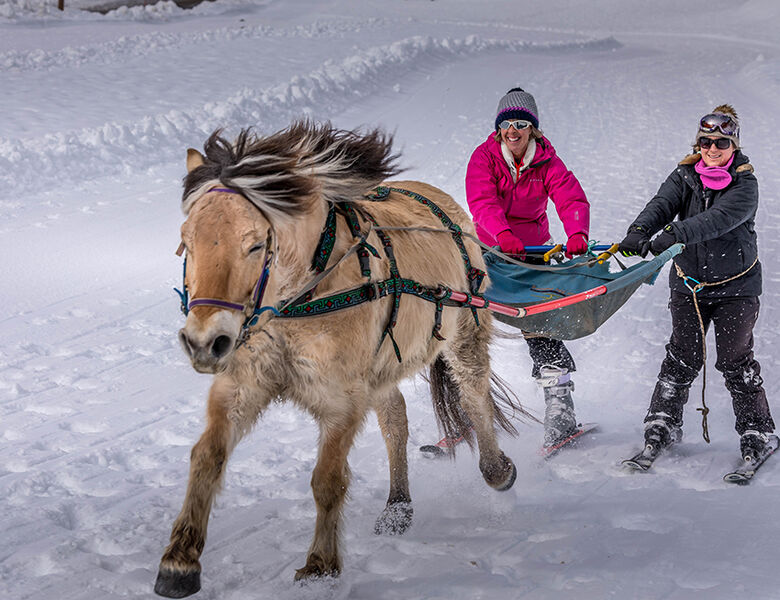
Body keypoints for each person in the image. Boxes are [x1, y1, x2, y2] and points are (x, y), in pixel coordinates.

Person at [424, 87, 591, 454]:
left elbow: (569, 196)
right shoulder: (484, 157)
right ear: (498, 128)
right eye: (506, 124)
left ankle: (560, 409)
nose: (512, 131)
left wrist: (577, 230)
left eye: (521, 124)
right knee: (464, 330)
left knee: (540, 324)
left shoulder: (548, 161)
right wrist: (501, 234)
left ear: (533, 129)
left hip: (531, 255)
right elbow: (481, 199)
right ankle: (464, 413)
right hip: (485, 253)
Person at [618, 104, 775, 461]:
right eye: (706, 142)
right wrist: (640, 230)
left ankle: (757, 430)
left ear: (733, 145)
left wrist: (672, 234)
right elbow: (662, 203)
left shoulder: (745, 184)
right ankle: (663, 421)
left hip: (737, 289)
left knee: (736, 361)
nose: (713, 149)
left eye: (721, 142)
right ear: (698, 144)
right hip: (689, 285)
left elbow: (716, 220)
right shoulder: (684, 175)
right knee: (682, 355)